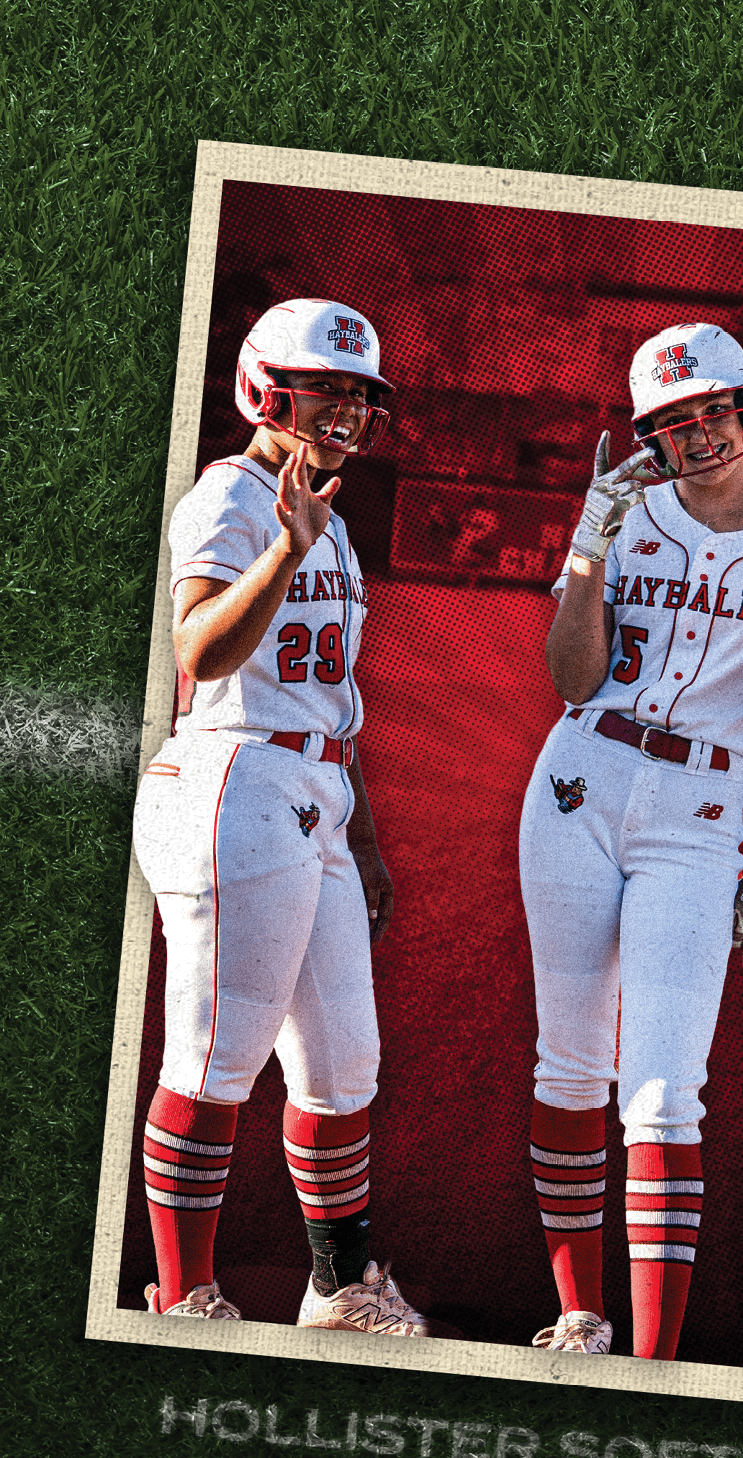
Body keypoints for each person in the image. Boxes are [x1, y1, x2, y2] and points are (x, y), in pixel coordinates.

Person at [518, 323, 743, 1360]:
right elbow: (572, 679)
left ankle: (653, 1364)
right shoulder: (628, 514)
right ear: (649, 436)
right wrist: (590, 541)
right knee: (572, 1064)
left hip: (703, 810)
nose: (699, 434)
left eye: (714, 411)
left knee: (664, 1092)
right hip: (580, 777)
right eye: (673, 421)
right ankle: (582, 1320)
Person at [132, 298, 433, 1336]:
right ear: (266, 390)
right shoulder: (230, 494)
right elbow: (200, 651)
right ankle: (185, 1300)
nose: (344, 411)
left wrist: (364, 837)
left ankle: (339, 1291)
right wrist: (282, 552)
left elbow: (330, 701)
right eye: (323, 390)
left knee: (344, 1067)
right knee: (215, 1059)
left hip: (313, 791)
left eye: (359, 394)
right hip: (237, 777)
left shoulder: (329, 518)